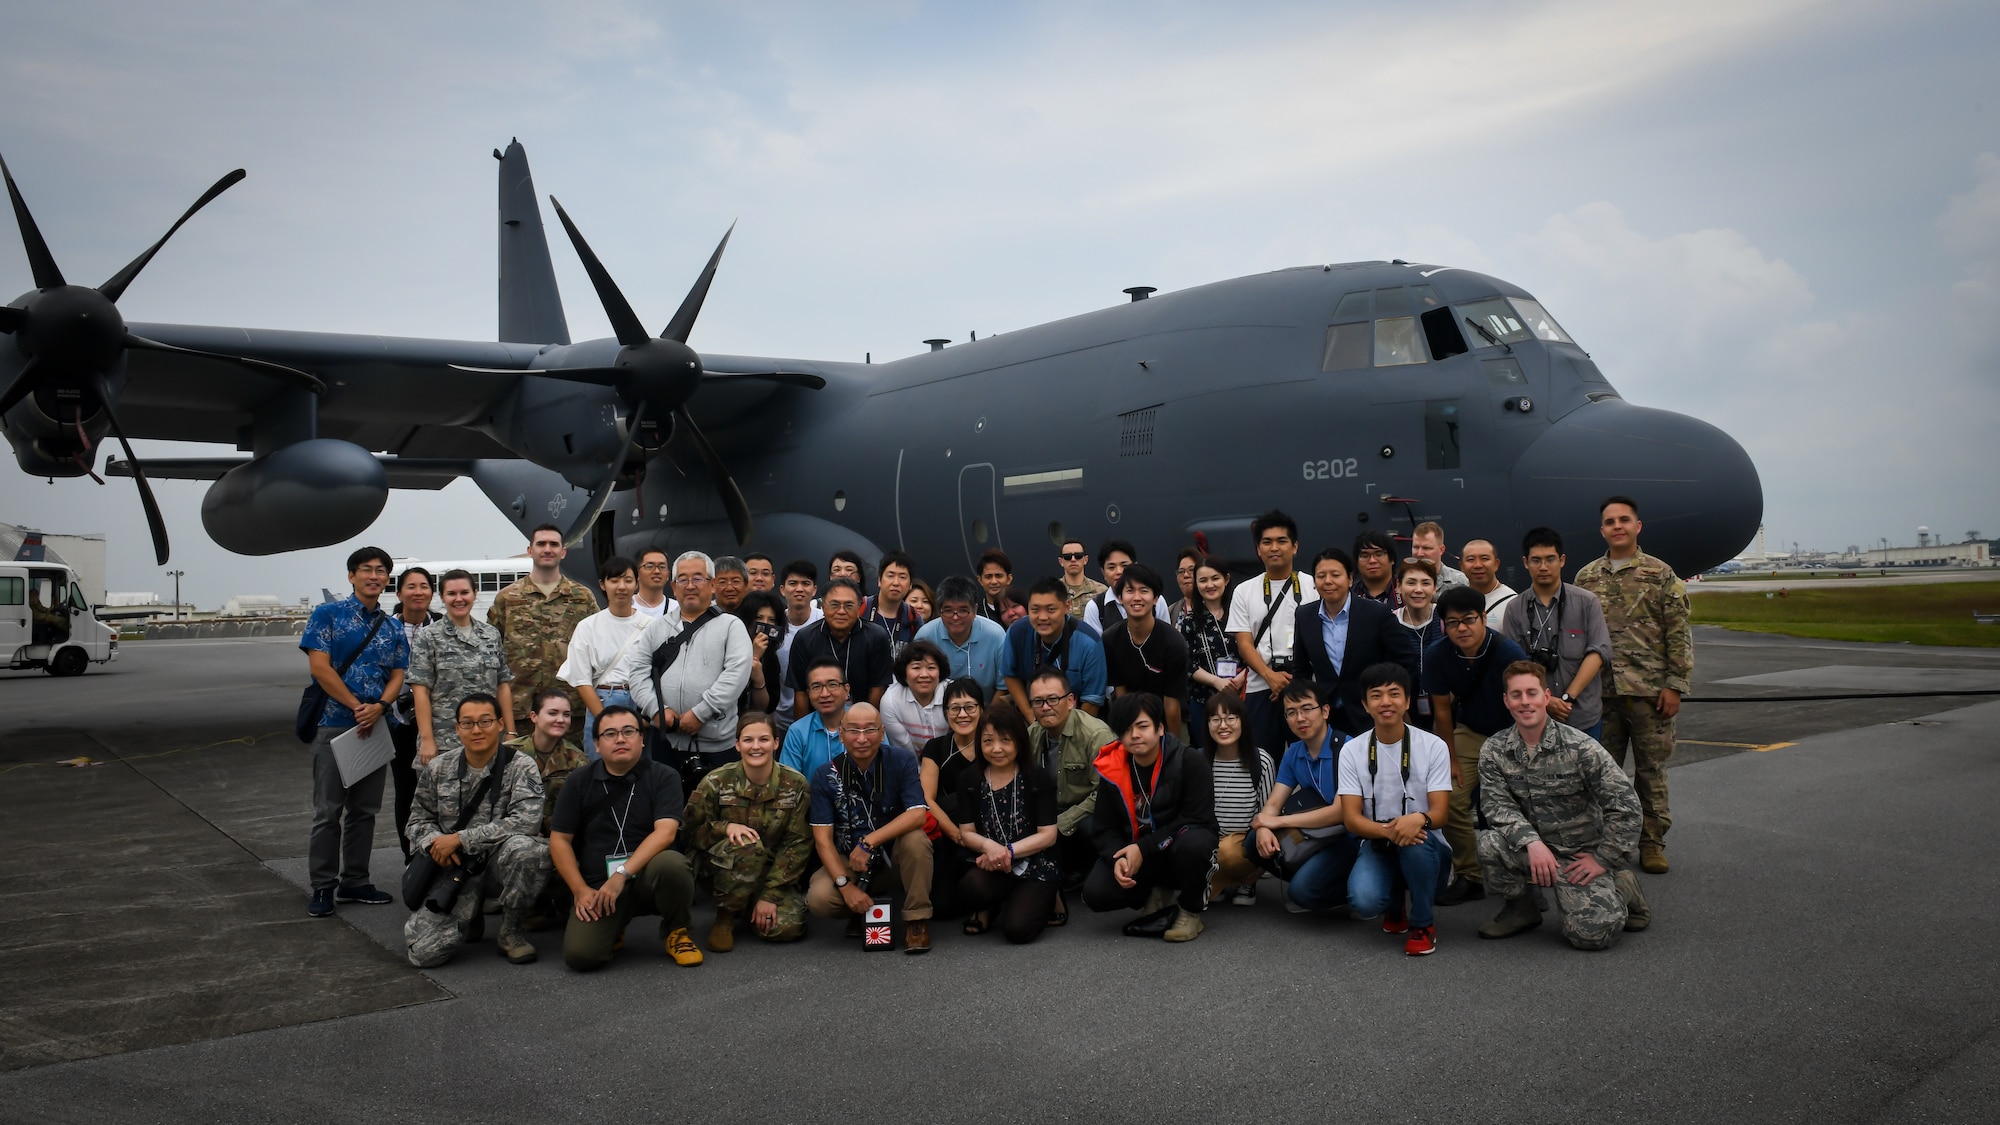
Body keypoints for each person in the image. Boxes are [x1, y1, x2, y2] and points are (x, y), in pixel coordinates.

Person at [1476, 661, 1651, 949]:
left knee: (1593, 936)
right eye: (1516, 695)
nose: (1525, 702)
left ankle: (1622, 885)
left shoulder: (1581, 747)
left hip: (1580, 855)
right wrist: (1532, 842)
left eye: (1531, 693)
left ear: (1546, 697)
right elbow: (1497, 807)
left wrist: (1604, 858)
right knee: (1490, 844)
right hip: (1535, 850)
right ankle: (1522, 909)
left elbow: (1626, 807)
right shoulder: (1495, 750)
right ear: (1506, 700)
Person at [1574, 495, 1692, 875]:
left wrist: (1675, 684)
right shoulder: (1586, 577)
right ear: (1603, 529)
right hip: (1601, 694)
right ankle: (1611, 842)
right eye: (1610, 521)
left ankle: (1653, 843)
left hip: (1649, 692)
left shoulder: (1660, 574)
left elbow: (1678, 632)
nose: (1618, 526)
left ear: (1637, 526)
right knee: (1603, 775)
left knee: (1650, 772)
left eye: (1625, 520)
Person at [548, 704, 703, 971]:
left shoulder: (664, 776)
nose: (620, 739)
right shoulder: (578, 782)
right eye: (610, 734)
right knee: (582, 957)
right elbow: (560, 839)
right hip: (599, 884)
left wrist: (621, 874)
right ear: (596, 744)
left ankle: (676, 931)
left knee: (673, 864)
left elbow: (665, 833)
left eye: (629, 731)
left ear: (642, 739)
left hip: (646, 876)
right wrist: (579, 890)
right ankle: (614, 924)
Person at [300, 546, 410, 917]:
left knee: (365, 810)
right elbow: (320, 667)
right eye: (366, 569)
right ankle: (322, 886)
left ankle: (356, 880)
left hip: (376, 726)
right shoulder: (327, 615)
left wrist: (379, 706)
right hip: (335, 724)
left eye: (381, 570)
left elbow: (398, 672)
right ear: (351, 576)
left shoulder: (393, 625)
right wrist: (355, 705)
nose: (374, 576)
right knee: (328, 810)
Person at [403, 693, 551, 967]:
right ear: (457, 728)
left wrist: (460, 839)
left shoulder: (520, 766)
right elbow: (416, 821)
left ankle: (511, 932)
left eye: (485, 721)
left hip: (498, 862)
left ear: (499, 724)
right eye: (467, 723)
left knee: (531, 851)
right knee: (423, 954)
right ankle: (470, 916)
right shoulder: (438, 768)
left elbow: (526, 821)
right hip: (454, 868)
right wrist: (435, 844)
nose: (476, 730)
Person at [1336, 664, 1454, 957]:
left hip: (1424, 843)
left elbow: (1440, 814)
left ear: (1408, 701)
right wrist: (1393, 829)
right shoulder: (1352, 751)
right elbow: (1351, 818)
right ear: (1365, 704)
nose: (1386, 702)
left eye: (1394, 694)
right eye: (1376, 696)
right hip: (1378, 841)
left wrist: (1418, 820)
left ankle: (1422, 924)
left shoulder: (1434, 746)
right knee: (1363, 900)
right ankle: (1394, 902)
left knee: (1416, 843)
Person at [1424, 584, 1531, 905]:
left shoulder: (1507, 653)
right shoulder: (1438, 655)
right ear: (1443, 625)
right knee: (1451, 798)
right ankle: (1471, 874)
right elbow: (1441, 712)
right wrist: (1450, 760)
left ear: (1484, 618)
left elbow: (1527, 704)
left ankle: (1526, 870)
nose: (1462, 628)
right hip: (1469, 730)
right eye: (1453, 622)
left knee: (1517, 800)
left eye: (1469, 619)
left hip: (1512, 732)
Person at [1084, 693, 1217, 942]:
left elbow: (1197, 818)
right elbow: (1104, 828)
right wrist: (1118, 861)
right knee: (1095, 893)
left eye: (1142, 726)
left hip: (1178, 848)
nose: (1134, 734)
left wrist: (1142, 849)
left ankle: (1190, 911)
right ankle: (1156, 892)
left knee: (1196, 843)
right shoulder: (1113, 769)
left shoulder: (1189, 761)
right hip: (1142, 854)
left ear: (1160, 728)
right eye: (1126, 728)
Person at [805, 702, 935, 953]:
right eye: (854, 730)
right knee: (819, 899)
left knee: (916, 841)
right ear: (841, 734)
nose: (862, 738)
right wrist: (845, 886)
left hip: (894, 858)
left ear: (883, 732)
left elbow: (918, 814)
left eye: (870, 730)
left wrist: (869, 841)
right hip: (850, 860)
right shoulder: (825, 774)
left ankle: (916, 920)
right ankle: (858, 908)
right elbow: (823, 840)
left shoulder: (901, 760)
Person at [619, 551, 753, 783]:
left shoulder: (731, 626)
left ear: (712, 584)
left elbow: (736, 675)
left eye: (698, 578)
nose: (690, 585)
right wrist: (656, 709)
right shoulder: (657, 628)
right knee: (669, 809)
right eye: (683, 579)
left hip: (717, 745)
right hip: (667, 742)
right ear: (673, 585)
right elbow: (638, 671)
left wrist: (701, 713)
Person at [683, 713, 813, 950]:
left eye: (763, 739)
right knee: (748, 844)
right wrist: (725, 827)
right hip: (720, 869)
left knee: (786, 929)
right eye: (747, 740)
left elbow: (797, 844)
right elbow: (689, 833)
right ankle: (725, 916)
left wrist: (770, 895)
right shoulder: (715, 781)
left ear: (775, 743)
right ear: (737, 744)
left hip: (771, 872)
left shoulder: (795, 785)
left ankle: (749, 904)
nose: (756, 747)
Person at [953, 701, 1062, 944]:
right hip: (991, 861)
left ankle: (1049, 895)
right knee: (970, 888)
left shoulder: (1037, 777)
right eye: (988, 740)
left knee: (1017, 930)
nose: (996, 748)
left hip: (1034, 862)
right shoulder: (969, 778)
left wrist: (1008, 851)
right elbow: (967, 832)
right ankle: (992, 905)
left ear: (1020, 742)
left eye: (1005, 740)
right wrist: (990, 848)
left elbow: (1048, 836)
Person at [1249, 682, 1361, 913]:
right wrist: (1262, 827)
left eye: (1307, 708)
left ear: (1325, 711)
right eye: (1291, 712)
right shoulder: (1294, 753)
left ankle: (1354, 890)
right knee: (1253, 841)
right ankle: (1314, 876)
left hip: (1349, 838)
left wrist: (1276, 822)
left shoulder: (1347, 748)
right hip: (1318, 834)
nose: (1300, 718)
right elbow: (1273, 804)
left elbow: (1341, 812)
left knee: (1303, 893)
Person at [1291, 547, 1420, 741]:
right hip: (1327, 717)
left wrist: (1398, 701)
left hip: (1372, 713)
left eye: (1335, 575)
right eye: (1321, 576)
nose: (1328, 581)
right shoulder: (1304, 615)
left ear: (1350, 579)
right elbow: (1300, 670)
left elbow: (1406, 662)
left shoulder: (1377, 613)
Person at [1501, 527, 1613, 741]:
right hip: (1534, 719)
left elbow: (1599, 652)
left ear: (1562, 560)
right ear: (1526, 562)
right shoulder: (1515, 609)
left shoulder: (1586, 602)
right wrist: (1545, 700)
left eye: (1550, 559)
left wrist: (1567, 697)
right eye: (1536, 560)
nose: (1543, 567)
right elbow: (1513, 664)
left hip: (1582, 717)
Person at [487, 523, 598, 732]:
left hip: (569, 712)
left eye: (554, 544)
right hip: (519, 711)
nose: (547, 549)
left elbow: (597, 648)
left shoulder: (583, 598)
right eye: (541, 544)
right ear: (530, 551)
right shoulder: (508, 598)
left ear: (563, 552)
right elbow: (492, 652)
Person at [1025, 667, 1113, 904]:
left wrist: (1060, 824)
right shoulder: (1032, 735)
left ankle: (1087, 868)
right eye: (1038, 701)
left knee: (1088, 826)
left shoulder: (1096, 735)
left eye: (1053, 699)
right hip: (1052, 808)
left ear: (1071, 700)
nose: (1045, 707)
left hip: (1090, 812)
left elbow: (1104, 793)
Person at [1227, 510, 1311, 758]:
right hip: (1260, 688)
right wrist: (1270, 676)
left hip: (1304, 684)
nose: (1275, 548)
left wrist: (1294, 678)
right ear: (1258, 550)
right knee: (1262, 760)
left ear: (1295, 547)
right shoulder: (1244, 591)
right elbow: (1244, 643)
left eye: (1282, 541)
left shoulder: (1312, 586)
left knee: (1310, 756)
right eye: (1267, 542)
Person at [410, 569, 516, 765]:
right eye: (451, 594)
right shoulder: (428, 636)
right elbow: (420, 691)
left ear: (475, 593)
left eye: (465, 592)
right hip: (445, 742)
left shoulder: (491, 635)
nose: (459, 599)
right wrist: (426, 739)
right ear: (442, 597)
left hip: (489, 739)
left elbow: (502, 685)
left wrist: (510, 732)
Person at [556, 554, 649, 755]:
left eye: (627, 580)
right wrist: (604, 719)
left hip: (641, 702)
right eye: (614, 580)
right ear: (603, 584)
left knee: (641, 771)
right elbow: (582, 680)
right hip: (603, 700)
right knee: (600, 769)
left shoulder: (652, 626)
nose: (621, 586)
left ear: (636, 584)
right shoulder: (588, 626)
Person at [921, 677, 987, 924]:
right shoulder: (936, 748)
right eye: (954, 708)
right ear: (946, 712)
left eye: (970, 707)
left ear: (982, 709)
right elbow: (926, 797)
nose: (962, 714)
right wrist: (955, 833)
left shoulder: (993, 744)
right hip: (950, 835)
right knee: (942, 908)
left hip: (990, 832)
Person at [387, 566, 440, 860]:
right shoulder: (385, 629)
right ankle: (410, 856)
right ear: (399, 593)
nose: (418, 592)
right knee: (405, 791)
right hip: (398, 723)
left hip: (437, 722)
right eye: (411, 586)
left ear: (432, 593)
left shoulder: (443, 626)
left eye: (424, 586)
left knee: (440, 792)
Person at [1203, 690, 1274, 907]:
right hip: (1209, 840)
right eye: (1215, 719)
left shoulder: (1261, 761)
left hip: (1243, 843)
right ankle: (1226, 881)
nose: (1223, 725)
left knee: (1227, 852)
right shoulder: (1199, 760)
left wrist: (1263, 866)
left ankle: (1243, 880)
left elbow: (1269, 814)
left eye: (1231, 718)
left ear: (1242, 721)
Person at [1101, 562, 1189, 734]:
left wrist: (1171, 748)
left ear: (1156, 598)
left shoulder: (1173, 643)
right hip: (1131, 717)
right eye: (1130, 590)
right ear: (1120, 597)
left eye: (1144, 590)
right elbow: (1121, 693)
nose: (1136, 597)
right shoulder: (1111, 639)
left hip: (1169, 718)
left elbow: (1171, 704)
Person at [785, 577, 892, 718]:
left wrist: (866, 725)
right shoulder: (805, 638)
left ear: (859, 607)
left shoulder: (876, 637)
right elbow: (801, 692)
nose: (841, 611)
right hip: (817, 719)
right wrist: (803, 734)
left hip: (861, 719)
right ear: (823, 606)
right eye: (834, 605)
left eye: (849, 605)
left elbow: (877, 688)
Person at [1002, 578, 1108, 718]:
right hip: (1033, 713)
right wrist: (1030, 717)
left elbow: (1093, 699)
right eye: (1035, 609)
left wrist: (1069, 733)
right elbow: (1010, 674)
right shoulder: (1017, 632)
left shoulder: (1089, 642)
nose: (1043, 617)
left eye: (1051, 609)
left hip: (1077, 718)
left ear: (1067, 606)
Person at [1180, 554, 1246, 749]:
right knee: (1207, 754)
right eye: (1203, 580)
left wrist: (1241, 678)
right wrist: (1217, 681)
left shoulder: (1242, 612)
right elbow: (1187, 663)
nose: (1209, 585)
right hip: (1203, 701)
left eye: (1215, 578)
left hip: (1242, 694)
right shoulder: (1190, 621)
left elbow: (1256, 650)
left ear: (1226, 579)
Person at [502, 688, 588, 836]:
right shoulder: (508, 754)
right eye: (552, 713)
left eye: (566, 715)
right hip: (511, 834)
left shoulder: (578, 760)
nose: (560, 720)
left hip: (558, 836)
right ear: (534, 717)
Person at [915, 575, 1008, 702]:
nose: (955, 617)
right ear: (939, 610)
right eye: (948, 611)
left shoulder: (995, 635)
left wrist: (987, 719)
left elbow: (1003, 686)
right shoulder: (925, 636)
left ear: (975, 610)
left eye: (963, 610)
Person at [1394, 558, 1445, 733]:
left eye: (1425, 583)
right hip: (1402, 712)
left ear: (1435, 587)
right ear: (1398, 587)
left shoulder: (1445, 618)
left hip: (1446, 708)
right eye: (1411, 582)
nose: (1418, 589)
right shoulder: (1390, 622)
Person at [780, 659, 850, 783]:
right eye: (816, 687)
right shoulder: (798, 732)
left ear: (846, 690)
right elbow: (789, 784)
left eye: (832, 684)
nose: (824, 694)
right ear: (809, 693)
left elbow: (883, 771)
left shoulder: (865, 723)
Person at [1082, 539, 1171, 632]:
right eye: (1111, 567)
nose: (1119, 572)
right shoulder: (1095, 608)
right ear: (1103, 572)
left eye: (1124, 566)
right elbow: (1095, 645)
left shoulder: (1157, 601)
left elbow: (1167, 638)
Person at [774, 559, 823, 727]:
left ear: (814, 589)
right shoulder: (774, 624)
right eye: (793, 583)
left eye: (806, 583)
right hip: (778, 720)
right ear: (782, 589)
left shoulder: (825, 621)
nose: (799, 589)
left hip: (819, 719)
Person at [881, 639, 949, 752]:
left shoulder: (953, 694)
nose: (924, 675)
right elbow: (904, 750)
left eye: (931, 668)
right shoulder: (891, 701)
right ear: (904, 672)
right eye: (916, 668)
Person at [733, 589, 789, 717]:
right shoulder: (729, 648)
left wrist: (759, 678)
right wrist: (753, 657)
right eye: (759, 618)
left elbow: (766, 707)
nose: (765, 624)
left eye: (771, 620)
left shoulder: (771, 658)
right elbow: (733, 696)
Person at [864, 550, 925, 658]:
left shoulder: (914, 618)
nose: (896, 583)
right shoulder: (861, 609)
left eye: (902, 577)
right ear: (879, 580)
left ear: (910, 584)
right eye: (890, 575)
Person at [1459, 539, 1517, 628]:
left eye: (1484, 559)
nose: (1478, 565)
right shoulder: (1456, 601)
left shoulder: (1513, 603)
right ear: (1462, 566)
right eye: (1471, 559)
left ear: (1496, 564)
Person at [1055, 537, 1106, 620]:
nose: (1073, 559)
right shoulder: (1052, 591)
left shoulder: (1101, 591)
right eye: (1067, 557)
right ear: (1061, 561)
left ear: (1085, 560)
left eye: (1078, 556)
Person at [1410, 521, 1467, 592]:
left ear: (1441, 550)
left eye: (1426, 548)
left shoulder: (1460, 582)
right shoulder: (1403, 581)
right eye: (1416, 547)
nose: (1419, 553)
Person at [1350, 530, 1400, 607]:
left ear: (1392, 559)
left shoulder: (1407, 591)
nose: (1372, 561)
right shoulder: (1348, 595)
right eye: (1365, 555)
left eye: (1379, 554)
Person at [975, 549, 1018, 624]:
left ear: (1009, 579)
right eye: (988, 576)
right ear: (980, 580)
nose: (994, 581)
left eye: (998, 576)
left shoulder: (1023, 609)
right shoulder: (975, 614)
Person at [633, 547, 672, 619]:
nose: (657, 571)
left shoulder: (678, 609)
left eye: (662, 567)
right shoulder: (626, 607)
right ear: (636, 573)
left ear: (668, 575)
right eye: (650, 566)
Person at [1169, 547, 1201, 626]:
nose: (1186, 575)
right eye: (1181, 571)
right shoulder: (1171, 611)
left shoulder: (1214, 607)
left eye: (1191, 570)